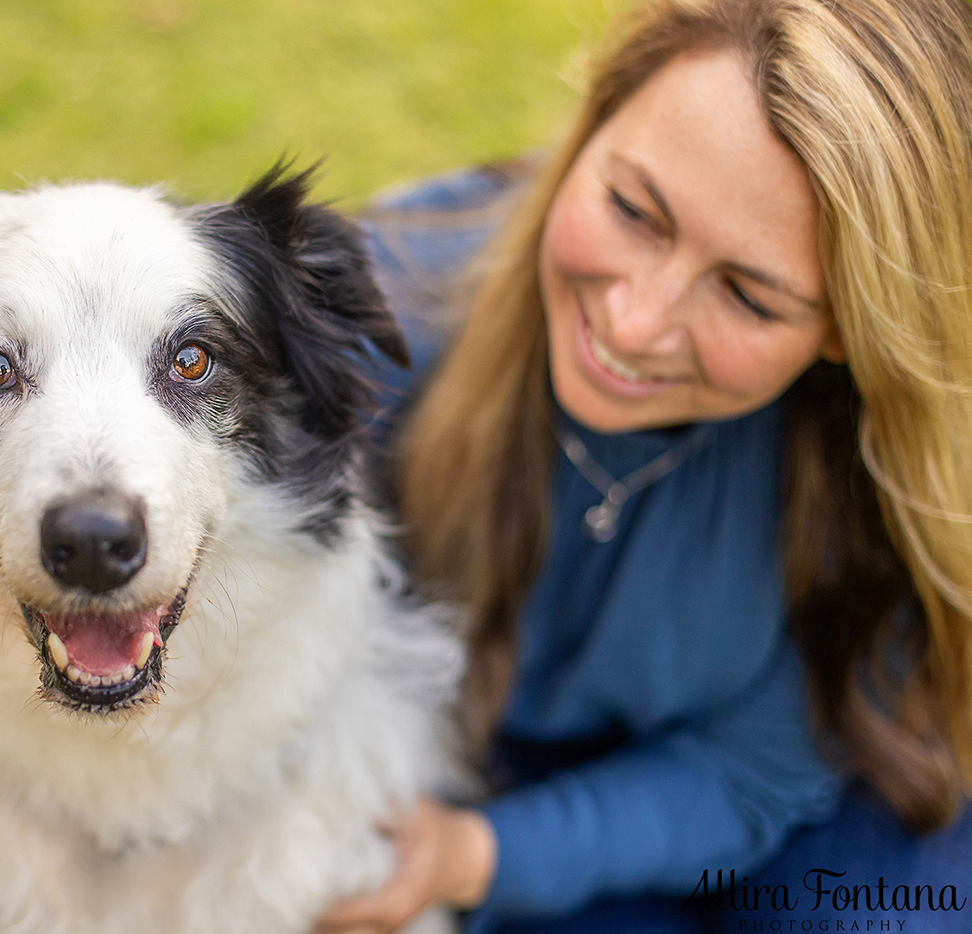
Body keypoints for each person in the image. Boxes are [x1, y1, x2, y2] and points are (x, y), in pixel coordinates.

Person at [315, 0, 972, 931]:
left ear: (845, 333)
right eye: (633, 210)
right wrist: (466, 856)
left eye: (748, 296)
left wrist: (485, 854)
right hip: (473, 772)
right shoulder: (381, 312)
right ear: (590, 124)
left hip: (807, 779)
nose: (633, 324)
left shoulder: (878, 471)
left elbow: (750, 773)